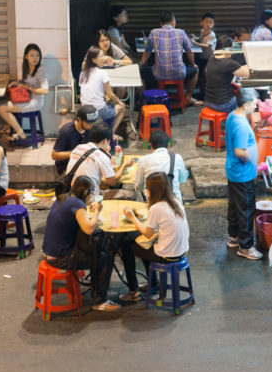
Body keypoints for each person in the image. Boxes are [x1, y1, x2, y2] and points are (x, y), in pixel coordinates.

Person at [42, 175, 119, 311]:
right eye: (91, 193)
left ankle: (97, 292)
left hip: (50, 251)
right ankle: (99, 302)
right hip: (61, 257)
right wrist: (96, 211)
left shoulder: (64, 197)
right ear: (85, 192)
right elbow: (89, 229)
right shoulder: (77, 204)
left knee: (98, 254)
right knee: (106, 258)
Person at [119, 171, 192, 305]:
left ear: (151, 189)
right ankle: (153, 283)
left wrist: (132, 217)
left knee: (127, 245)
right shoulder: (175, 200)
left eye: (147, 187)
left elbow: (147, 233)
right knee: (144, 245)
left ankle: (133, 291)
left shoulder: (157, 208)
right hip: (182, 251)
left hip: (167, 255)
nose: (145, 189)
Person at [225, 87, 262, 260]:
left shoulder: (233, 115)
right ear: (246, 104)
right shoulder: (240, 124)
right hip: (242, 173)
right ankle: (246, 246)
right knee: (246, 208)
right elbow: (240, 151)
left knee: (235, 205)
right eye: (254, 103)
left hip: (233, 170)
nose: (256, 106)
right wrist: (254, 162)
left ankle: (234, 237)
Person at [142, 11, 201, 105]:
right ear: (174, 22)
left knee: (141, 73)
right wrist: (193, 64)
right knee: (196, 70)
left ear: (161, 23)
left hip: (159, 75)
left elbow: (147, 51)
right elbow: (190, 51)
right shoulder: (181, 32)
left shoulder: (153, 32)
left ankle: (144, 100)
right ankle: (188, 97)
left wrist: (142, 64)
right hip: (179, 74)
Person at [0, 43, 49, 142]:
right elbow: (27, 81)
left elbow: (45, 91)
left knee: (0, 107)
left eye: (37, 55)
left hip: (34, 102)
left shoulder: (41, 70)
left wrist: (28, 87)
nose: (35, 58)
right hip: (25, 98)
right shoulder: (26, 67)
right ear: (26, 56)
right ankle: (15, 130)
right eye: (32, 55)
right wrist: (17, 82)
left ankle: (21, 134)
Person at [65, 123, 132, 196]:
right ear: (105, 141)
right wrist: (124, 165)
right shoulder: (102, 156)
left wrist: (104, 151)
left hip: (71, 192)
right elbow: (112, 181)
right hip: (89, 199)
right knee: (125, 194)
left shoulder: (78, 147)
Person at [78, 47, 127, 137]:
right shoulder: (102, 73)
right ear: (93, 60)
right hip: (99, 110)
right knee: (122, 108)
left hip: (84, 109)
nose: (104, 59)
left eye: (103, 56)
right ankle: (111, 134)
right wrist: (120, 102)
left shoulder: (83, 73)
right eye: (101, 56)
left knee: (108, 102)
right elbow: (110, 94)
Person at [134, 130, 188, 204]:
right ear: (168, 144)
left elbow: (138, 185)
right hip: (175, 204)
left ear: (150, 144)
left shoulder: (143, 160)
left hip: (153, 203)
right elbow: (182, 179)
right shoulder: (177, 158)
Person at [203, 36, 249, 113]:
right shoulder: (228, 63)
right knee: (248, 100)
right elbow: (247, 73)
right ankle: (239, 123)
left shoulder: (212, 57)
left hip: (208, 101)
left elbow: (239, 68)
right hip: (222, 104)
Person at [51, 104, 99, 174]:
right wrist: (76, 153)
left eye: (93, 122)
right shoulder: (66, 132)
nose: (91, 125)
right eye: (88, 123)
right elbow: (54, 155)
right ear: (79, 119)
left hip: (85, 163)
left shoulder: (91, 128)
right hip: (67, 167)